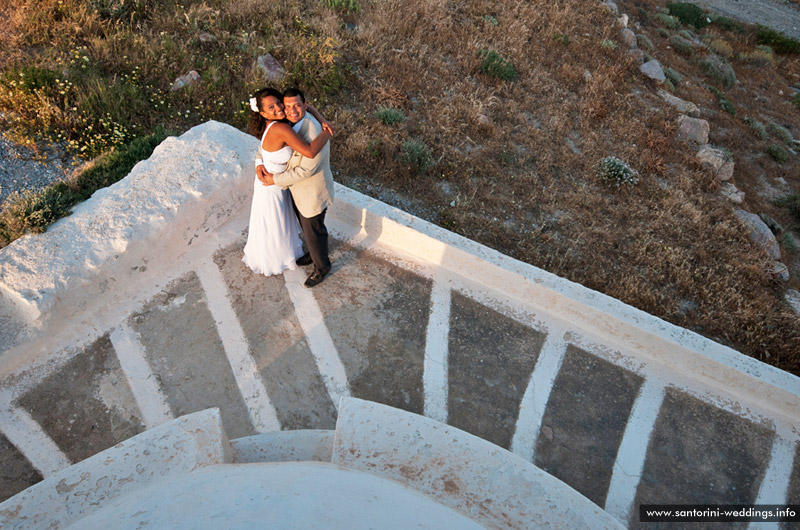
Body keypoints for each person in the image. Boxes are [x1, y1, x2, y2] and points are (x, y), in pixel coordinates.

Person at [243, 87, 332, 277]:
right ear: (263, 113)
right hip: (275, 187)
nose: (281, 109)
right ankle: (312, 255)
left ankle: (321, 267)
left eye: (279, 104)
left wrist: (324, 126)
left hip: (307, 190)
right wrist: (259, 163)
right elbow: (263, 149)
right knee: (279, 228)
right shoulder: (281, 125)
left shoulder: (306, 127)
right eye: (272, 107)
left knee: (313, 230)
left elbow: (306, 167)